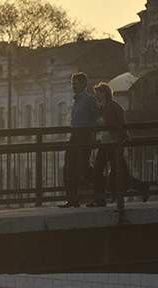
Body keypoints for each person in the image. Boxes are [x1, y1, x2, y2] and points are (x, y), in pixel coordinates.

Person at [89, 82, 149, 207]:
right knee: (111, 171)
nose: (96, 96)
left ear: (105, 93)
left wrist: (121, 139)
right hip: (105, 143)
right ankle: (140, 187)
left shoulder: (113, 107)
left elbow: (121, 124)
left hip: (114, 144)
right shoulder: (102, 108)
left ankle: (102, 198)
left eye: (98, 93)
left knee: (105, 171)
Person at [59, 72, 99, 208]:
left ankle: (103, 188)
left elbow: (95, 119)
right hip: (74, 136)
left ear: (83, 84)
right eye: (72, 83)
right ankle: (72, 199)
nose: (73, 86)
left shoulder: (89, 99)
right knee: (69, 167)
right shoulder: (76, 100)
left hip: (84, 136)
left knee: (82, 168)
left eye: (76, 83)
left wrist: (93, 136)